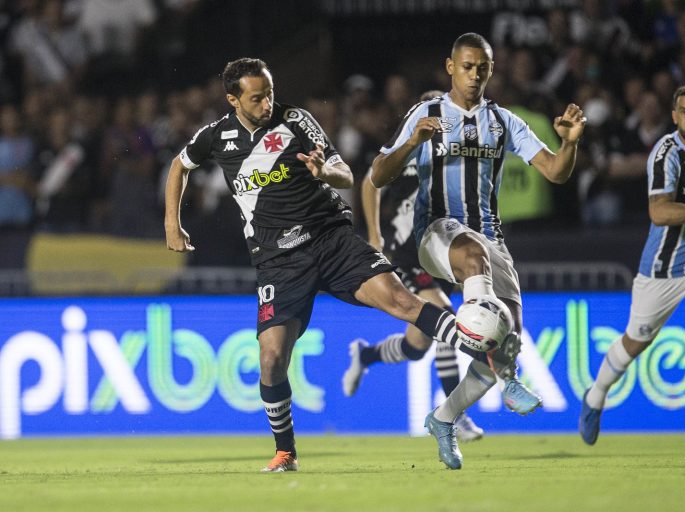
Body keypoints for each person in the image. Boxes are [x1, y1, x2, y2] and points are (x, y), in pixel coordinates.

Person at [164, 58, 525, 473]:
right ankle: (286, 452)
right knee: (271, 357)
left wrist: (324, 171)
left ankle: (488, 353)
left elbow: (345, 173)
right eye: (257, 97)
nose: (267, 103)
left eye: (270, 92)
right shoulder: (216, 136)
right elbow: (179, 166)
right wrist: (172, 224)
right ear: (233, 100)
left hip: (330, 240)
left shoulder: (295, 120)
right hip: (278, 262)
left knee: (400, 300)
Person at [371, 33, 586, 469]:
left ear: (491, 71)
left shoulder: (503, 121)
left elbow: (555, 172)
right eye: (466, 67)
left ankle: (444, 418)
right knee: (471, 255)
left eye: (482, 68)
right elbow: (377, 174)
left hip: (492, 240)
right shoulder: (426, 113)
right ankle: (499, 367)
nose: (474, 75)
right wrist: (412, 142)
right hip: (436, 233)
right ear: (450, 67)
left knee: (505, 341)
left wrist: (571, 143)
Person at [579, 83, 685, 451]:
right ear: (674, 117)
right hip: (663, 270)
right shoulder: (665, 154)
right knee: (634, 343)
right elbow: (659, 212)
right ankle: (595, 396)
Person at [343, 90, 484, 443]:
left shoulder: (451, 158)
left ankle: (367, 354)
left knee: (418, 343)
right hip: (404, 252)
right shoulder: (406, 150)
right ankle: (456, 416)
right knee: (443, 314)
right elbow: (369, 184)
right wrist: (374, 236)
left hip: (438, 252)